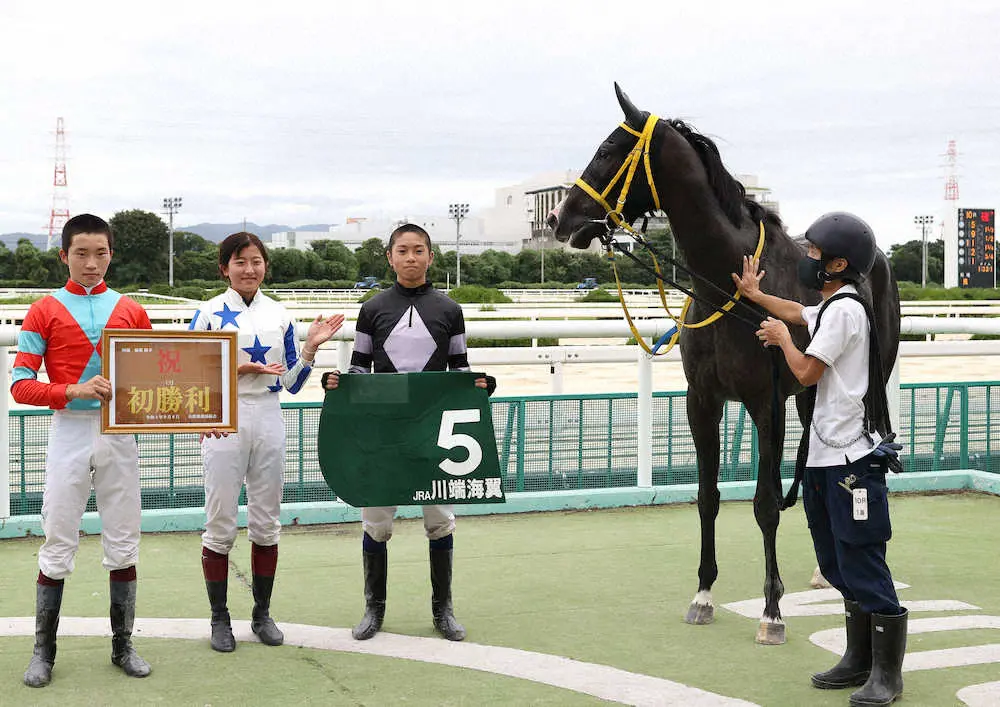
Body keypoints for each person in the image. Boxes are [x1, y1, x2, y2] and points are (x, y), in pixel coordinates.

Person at [732, 212, 907, 707]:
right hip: (825, 459)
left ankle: (886, 674)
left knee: (862, 560)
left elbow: (806, 372)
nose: (807, 260)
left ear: (839, 263)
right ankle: (858, 658)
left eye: (814, 254)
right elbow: (795, 310)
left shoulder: (848, 311)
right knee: (834, 562)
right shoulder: (830, 306)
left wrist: (783, 342)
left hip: (853, 463)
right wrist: (755, 295)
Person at [323, 223, 494, 643]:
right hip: (385, 429)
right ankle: (373, 610)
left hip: (435, 430)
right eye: (403, 250)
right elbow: (361, 367)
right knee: (376, 520)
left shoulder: (450, 310)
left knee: (440, 520)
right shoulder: (373, 308)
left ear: (430, 257)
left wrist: (481, 385)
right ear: (390, 257)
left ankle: (443, 611)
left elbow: (460, 368)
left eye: (419, 250)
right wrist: (339, 382)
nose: (411, 258)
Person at [13, 214, 154, 687]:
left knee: (123, 537)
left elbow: (159, 380)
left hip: (120, 434)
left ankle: (123, 646)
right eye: (81, 254)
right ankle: (43, 653)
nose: (91, 264)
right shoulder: (43, 310)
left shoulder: (132, 310)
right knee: (58, 537)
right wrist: (72, 390)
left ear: (112, 254)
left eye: (100, 254)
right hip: (69, 431)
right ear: (64, 256)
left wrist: (203, 418)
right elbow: (20, 386)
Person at [188, 232, 344, 652]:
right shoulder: (208, 314)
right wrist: (236, 371)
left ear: (265, 266)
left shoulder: (281, 314)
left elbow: (290, 383)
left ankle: (262, 613)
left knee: (266, 519)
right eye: (239, 261)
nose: (249, 269)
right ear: (224, 268)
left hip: (269, 418)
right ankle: (220, 618)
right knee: (220, 520)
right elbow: (190, 378)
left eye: (256, 261)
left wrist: (310, 347)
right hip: (225, 420)